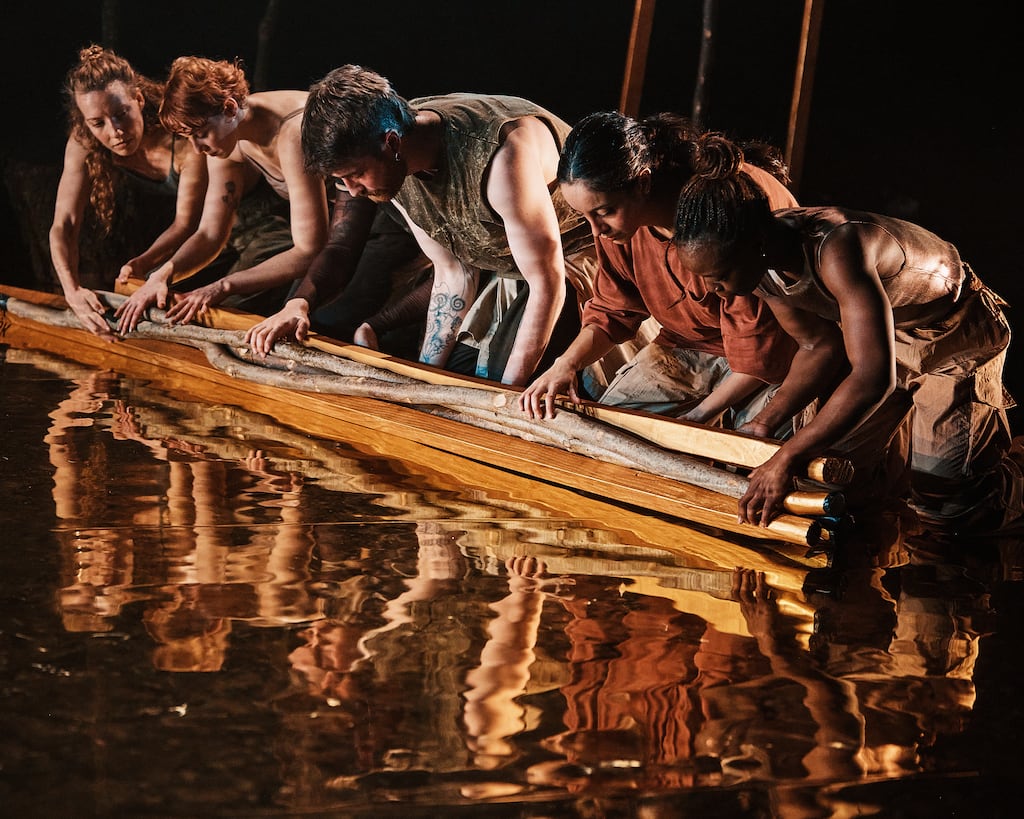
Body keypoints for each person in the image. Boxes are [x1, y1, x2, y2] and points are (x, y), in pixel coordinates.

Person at [672, 132, 1021, 531]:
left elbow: (873, 378)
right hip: (880, 339)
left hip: (950, 336)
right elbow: (816, 344)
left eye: (718, 278)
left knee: (944, 498)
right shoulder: (760, 265)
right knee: (834, 476)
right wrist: (764, 424)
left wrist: (784, 456)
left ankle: (1011, 482)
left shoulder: (837, 247)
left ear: (756, 244)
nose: (712, 290)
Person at [245, 64, 602, 388]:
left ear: (391, 143)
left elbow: (547, 282)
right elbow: (453, 274)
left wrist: (505, 394)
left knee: (502, 385)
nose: (353, 191)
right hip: (504, 267)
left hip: (580, 263)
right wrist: (424, 380)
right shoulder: (392, 166)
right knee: (454, 378)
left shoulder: (502, 156)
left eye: (355, 175)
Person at [519, 111, 799, 430]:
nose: (596, 230)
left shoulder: (720, 208)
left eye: (604, 212)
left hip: (776, 354)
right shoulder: (620, 224)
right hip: (688, 345)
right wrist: (564, 364)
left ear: (643, 182)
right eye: (586, 216)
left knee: (751, 450)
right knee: (612, 432)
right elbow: (614, 309)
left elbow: (762, 348)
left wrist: (697, 418)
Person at [113, 56, 328, 333]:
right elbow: (211, 233)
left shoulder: (290, 133)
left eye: (201, 133)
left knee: (290, 312)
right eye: (189, 137)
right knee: (211, 301)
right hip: (321, 233)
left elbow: (309, 249)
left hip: (364, 219)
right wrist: (163, 273)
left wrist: (223, 286)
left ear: (229, 107)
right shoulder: (230, 137)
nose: (197, 148)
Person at [48, 45, 210, 341]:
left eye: (121, 114)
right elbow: (65, 224)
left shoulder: (181, 135)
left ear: (138, 98)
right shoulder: (84, 142)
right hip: (203, 237)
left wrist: (143, 263)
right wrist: (72, 292)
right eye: (98, 123)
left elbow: (187, 222)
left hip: (241, 220)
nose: (115, 131)